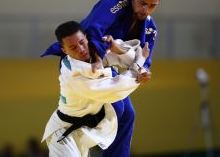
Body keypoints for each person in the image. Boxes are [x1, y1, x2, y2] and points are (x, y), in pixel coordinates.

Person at [42, 0, 163, 156]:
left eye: (152, 5)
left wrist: (143, 71)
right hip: (82, 59)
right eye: (143, 2)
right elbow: (91, 31)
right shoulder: (114, 3)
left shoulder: (150, 29)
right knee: (114, 106)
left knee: (127, 114)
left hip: (107, 65)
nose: (146, 9)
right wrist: (97, 59)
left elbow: (144, 60)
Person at [41, 21, 149, 157]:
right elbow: (115, 88)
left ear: (86, 37)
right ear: (64, 51)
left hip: (82, 133)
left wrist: (119, 50)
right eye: (73, 47)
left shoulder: (96, 50)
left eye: (82, 42)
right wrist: (140, 63)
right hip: (63, 133)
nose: (81, 49)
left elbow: (128, 57)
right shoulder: (73, 74)